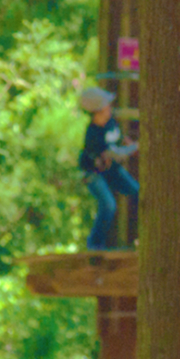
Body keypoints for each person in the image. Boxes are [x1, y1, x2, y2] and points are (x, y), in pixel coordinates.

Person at [77, 87, 138, 251]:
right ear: (97, 111)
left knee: (137, 193)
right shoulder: (93, 134)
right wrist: (137, 148)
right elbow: (115, 154)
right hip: (93, 173)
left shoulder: (111, 122)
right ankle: (95, 245)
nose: (109, 108)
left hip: (110, 169)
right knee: (108, 205)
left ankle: (137, 238)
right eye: (106, 106)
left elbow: (119, 138)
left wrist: (128, 142)